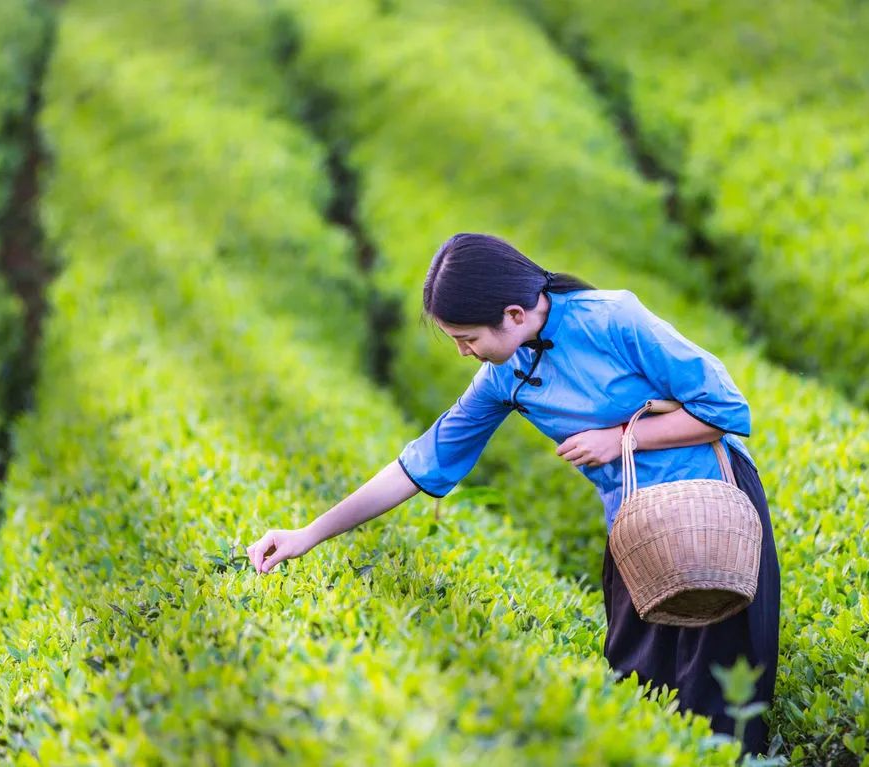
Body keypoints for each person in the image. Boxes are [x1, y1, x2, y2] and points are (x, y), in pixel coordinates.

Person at [246, 232, 781, 757]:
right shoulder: (504, 376)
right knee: (639, 682)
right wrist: (307, 535)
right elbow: (419, 463)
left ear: (514, 314)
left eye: (467, 338)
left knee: (720, 700)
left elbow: (726, 409)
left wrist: (622, 438)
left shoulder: (613, 318)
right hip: (637, 527)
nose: (464, 352)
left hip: (712, 511)